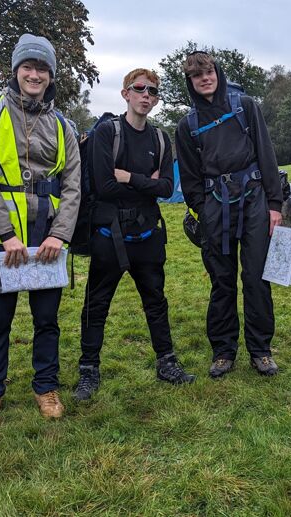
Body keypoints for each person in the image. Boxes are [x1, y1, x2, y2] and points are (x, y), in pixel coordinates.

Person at [0, 34, 81, 431]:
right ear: (15, 70)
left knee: (47, 319)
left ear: (51, 76)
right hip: (1, 242)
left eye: (42, 69)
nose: (34, 74)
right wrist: (6, 233)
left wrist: (59, 235)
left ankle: (46, 387)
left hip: (47, 239)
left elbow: (73, 185)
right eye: (28, 66)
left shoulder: (63, 125)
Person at [73, 68, 195, 401]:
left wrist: (129, 177)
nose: (146, 95)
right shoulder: (107, 133)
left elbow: (167, 187)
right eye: (140, 89)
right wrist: (147, 183)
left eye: (152, 91)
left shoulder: (160, 139)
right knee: (96, 304)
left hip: (148, 235)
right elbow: (104, 186)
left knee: (156, 301)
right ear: (126, 93)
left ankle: (166, 362)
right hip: (108, 235)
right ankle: (88, 370)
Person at [175, 51, 283, 378]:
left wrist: (274, 205)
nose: (205, 79)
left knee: (256, 278)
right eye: (197, 76)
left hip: (254, 200)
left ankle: (261, 350)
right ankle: (223, 351)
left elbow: (266, 153)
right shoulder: (187, 125)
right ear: (190, 82)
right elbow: (190, 177)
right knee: (222, 282)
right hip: (215, 207)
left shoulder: (245, 106)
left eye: (209, 72)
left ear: (218, 73)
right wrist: (203, 210)